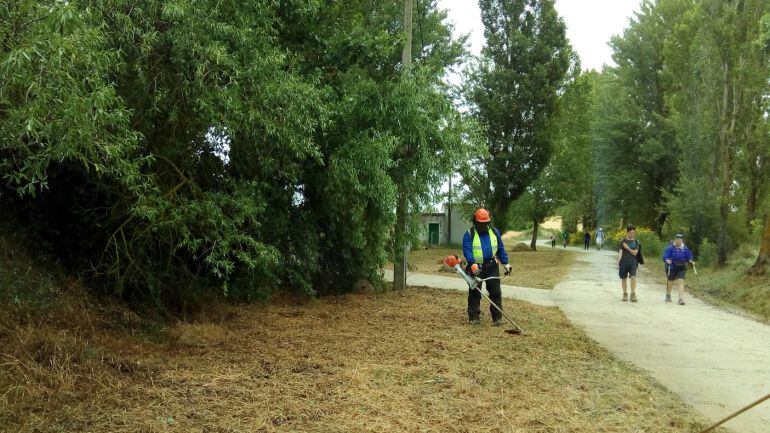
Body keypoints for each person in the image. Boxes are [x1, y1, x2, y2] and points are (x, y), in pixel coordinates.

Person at [462, 208, 512, 325]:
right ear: (475, 222)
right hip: (475, 268)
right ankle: (474, 317)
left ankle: (497, 317)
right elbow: (467, 251)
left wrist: (506, 263)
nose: (483, 226)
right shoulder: (469, 234)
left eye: (486, 223)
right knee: (475, 292)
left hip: (491, 266)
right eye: (481, 223)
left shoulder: (494, 232)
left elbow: (500, 248)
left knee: (495, 292)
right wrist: (472, 264)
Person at [663, 234, 695, 305]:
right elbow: (665, 256)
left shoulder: (685, 248)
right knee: (671, 281)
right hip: (672, 267)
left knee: (681, 281)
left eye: (680, 240)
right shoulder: (670, 248)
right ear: (675, 240)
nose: (679, 241)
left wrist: (691, 260)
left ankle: (681, 299)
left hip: (682, 267)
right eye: (678, 240)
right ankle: (668, 295)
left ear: (682, 240)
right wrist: (667, 260)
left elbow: (689, 256)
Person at [617, 225, 641, 302]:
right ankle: (625, 294)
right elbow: (620, 253)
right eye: (630, 233)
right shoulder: (622, 241)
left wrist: (627, 247)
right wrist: (618, 263)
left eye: (633, 233)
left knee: (633, 277)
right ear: (627, 232)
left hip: (633, 262)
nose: (632, 234)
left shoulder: (636, 242)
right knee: (624, 278)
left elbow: (635, 253)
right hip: (623, 262)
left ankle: (633, 294)